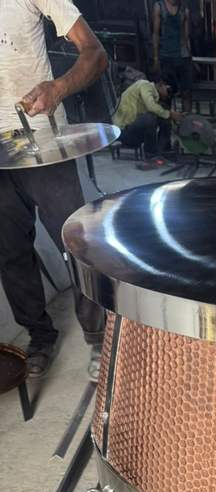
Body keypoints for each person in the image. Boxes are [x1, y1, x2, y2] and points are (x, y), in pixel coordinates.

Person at [0, 0, 108, 380]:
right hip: (0, 158)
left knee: (76, 243)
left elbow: (95, 53)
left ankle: (98, 336)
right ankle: (39, 336)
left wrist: (58, 88)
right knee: (10, 253)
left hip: (44, 144)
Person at [112, 77, 182, 159]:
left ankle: (163, 149)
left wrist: (173, 116)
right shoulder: (145, 85)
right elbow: (151, 106)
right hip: (123, 132)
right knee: (150, 118)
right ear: (161, 84)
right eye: (168, 91)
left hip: (134, 132)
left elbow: (161, 112)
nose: (168, 95)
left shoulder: (155, 97)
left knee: (163, 115)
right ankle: (150, 153)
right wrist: (170, 114)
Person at [152, 0, 193, 114]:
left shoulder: (184, 10)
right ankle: (166, 120)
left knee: (187, 92)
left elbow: (187, 37)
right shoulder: (159, 7)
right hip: (166, 56)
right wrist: (155, 57)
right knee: (166, 93)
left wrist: (190, 57)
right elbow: (155, 34)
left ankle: (187, 120)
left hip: (183, 56)